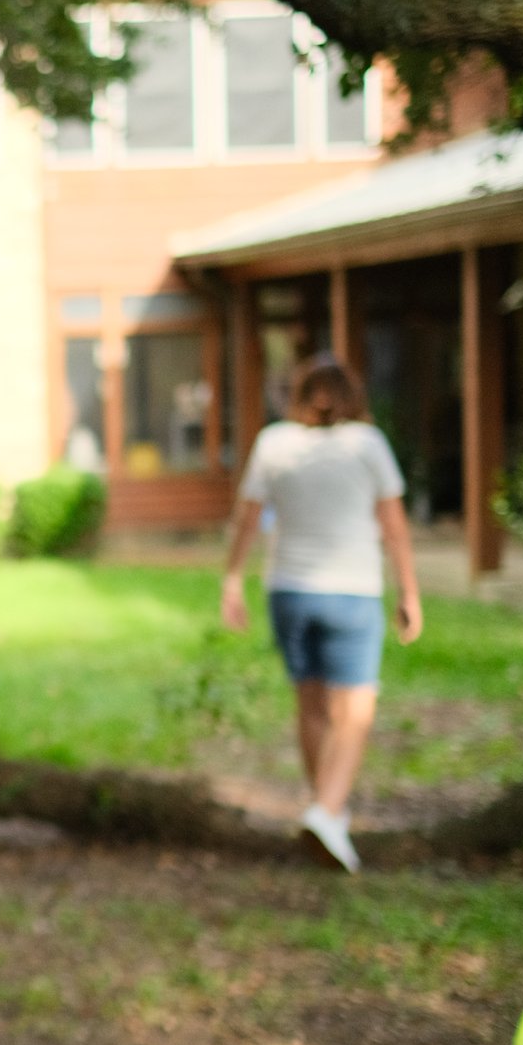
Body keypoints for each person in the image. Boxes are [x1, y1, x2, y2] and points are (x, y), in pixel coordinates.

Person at [219, 355, 424, 871]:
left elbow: (246, 519)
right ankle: (328, 812)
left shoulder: (274, 443)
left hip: (288, 592)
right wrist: (409, 592)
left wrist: (232, 579)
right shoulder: (368, 444)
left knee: (311, 706)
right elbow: (395, 527)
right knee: (355, 710)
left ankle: (324, 813)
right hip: (352, 593)